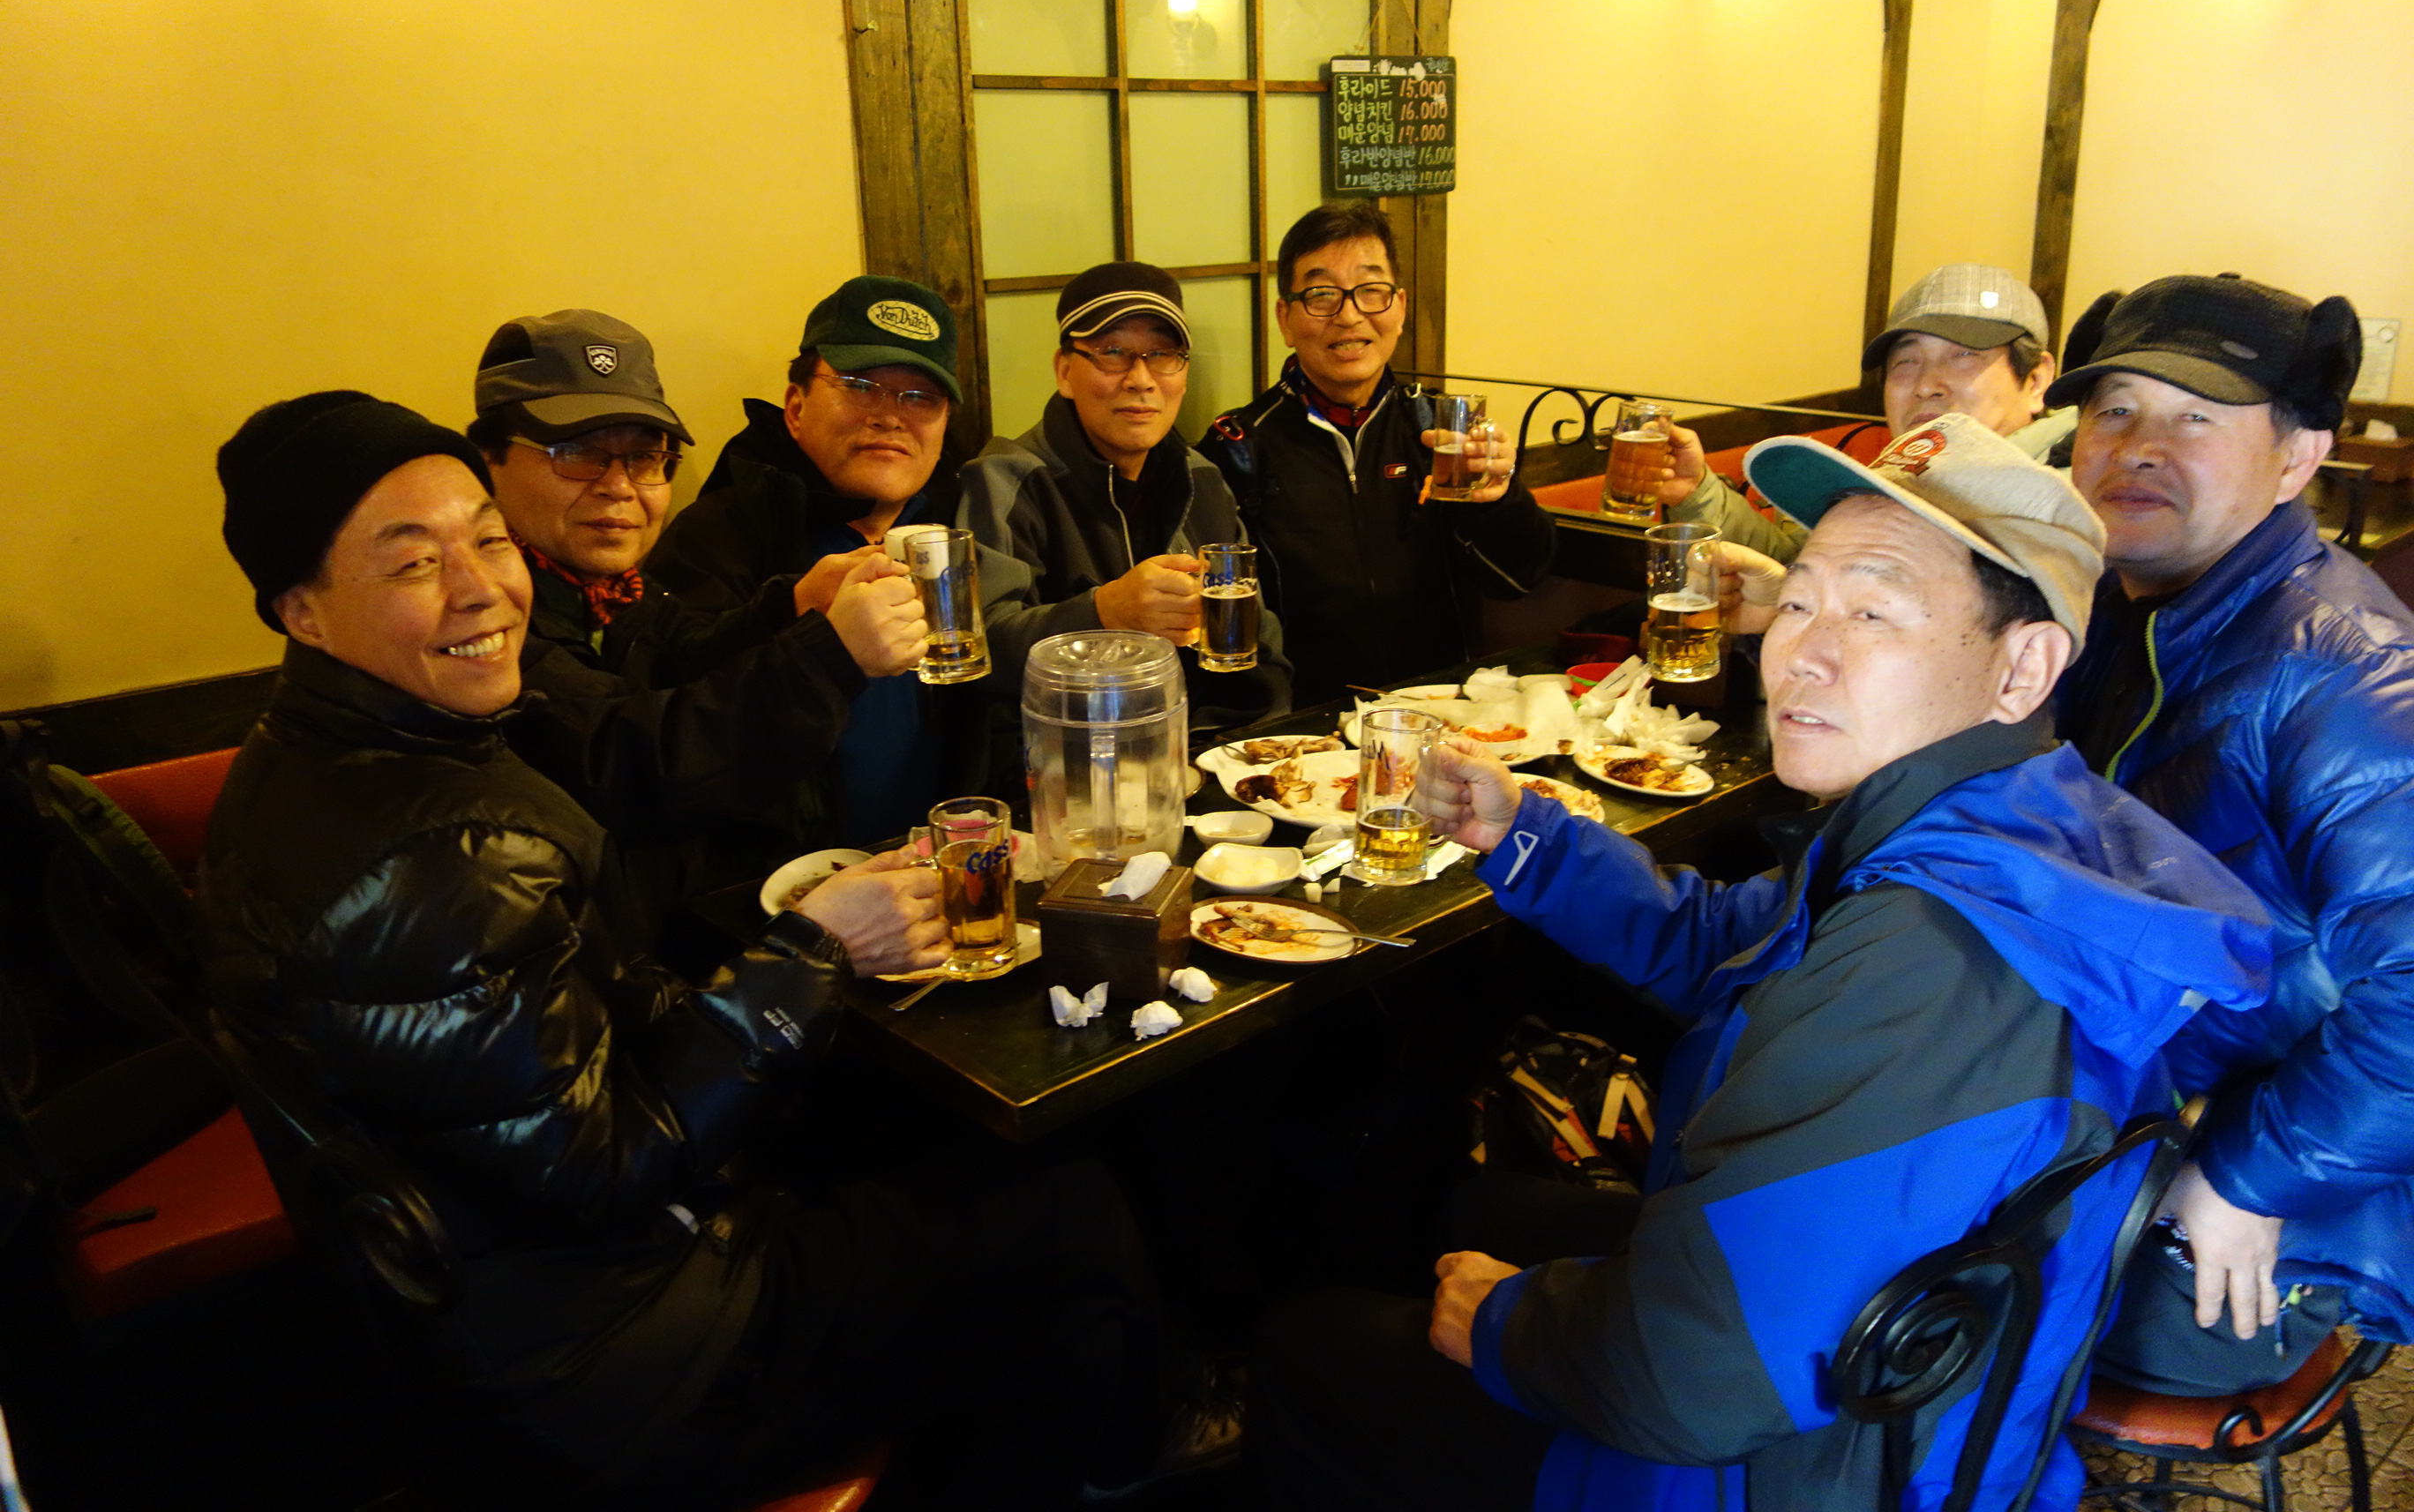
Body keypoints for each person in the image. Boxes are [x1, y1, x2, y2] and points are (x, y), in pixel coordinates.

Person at [1245, 414, 2273, 1512]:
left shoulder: (1933, 959)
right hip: (1878, 1361)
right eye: (1799, 600)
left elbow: (1692, 1382)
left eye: (1872, 611)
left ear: (2022, 666)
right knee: (1474, 1211)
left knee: (1309, 1343)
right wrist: (1525, 835)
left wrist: (1503, 1325)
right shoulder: (2004, 820)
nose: (1800, 653)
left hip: (1806, 1469)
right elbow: (1730, 944)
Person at [199, 392, 1181, 1511]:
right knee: (1066, 1213)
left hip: (505, 1314)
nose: (480, 588)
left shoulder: (320, 760)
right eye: (413, 562)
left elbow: (561, 1058)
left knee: (915, 1144)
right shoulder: (434, 851)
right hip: (619, 1373)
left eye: (485, 541)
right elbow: (605, 1173)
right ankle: (1137, 1456)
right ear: (302, 611)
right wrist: (812, 949)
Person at [2047, 273, 2414, 1397]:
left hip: (2267, 1227)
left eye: (2197, 417)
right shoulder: (2125, 611)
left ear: (2298, 457)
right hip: (2118, 1116)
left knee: (1865, 1290)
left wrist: (2248, 1177)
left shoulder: (2344, 675)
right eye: (2114, 409)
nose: (2137, 448)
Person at [648, 277, 974, 847]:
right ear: (795, 408)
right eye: (861, 387)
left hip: (953, 864)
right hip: (793, 883)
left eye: (922, 398)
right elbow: (673, 730)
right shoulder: (721, 534)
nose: (892, 416)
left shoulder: (970, 519)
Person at [1199, 203, 1553, 707]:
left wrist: (1499, 497)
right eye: (1321, 294)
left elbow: (1518, 578)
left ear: (1400, 308)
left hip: (1435, 712)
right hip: (1306, 728)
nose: (1349, 315)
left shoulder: (1437, 431)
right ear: (1285, 319)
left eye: (1371, 290)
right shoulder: (1238, 447)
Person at [469, 308, 925, 691]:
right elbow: (628, 747)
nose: (620, 487)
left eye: (644, 458)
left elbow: (687, 665)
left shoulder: (621, 594)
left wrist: (794, 603)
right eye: (576, 453)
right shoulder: (482, 612)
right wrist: (831, 655)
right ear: (486, 462)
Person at [956, 261, 1292, 722]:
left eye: (1162, 354)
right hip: (1065, 750)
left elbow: (1258, 633)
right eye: (1112, 352)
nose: (1141, 379)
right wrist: (1104, 613)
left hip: (1206, 746)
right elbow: (980, 646)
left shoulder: (1202, 477)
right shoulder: (1007, 480)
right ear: (1064, 372)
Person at [1661, 263, 2068, 560]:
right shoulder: (1903, 476)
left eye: (1963, 355)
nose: (1926, 385)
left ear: (2035, 381)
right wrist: (1698, 492)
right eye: (1906, 361)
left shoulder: (2066, 511)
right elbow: (1791, 564)